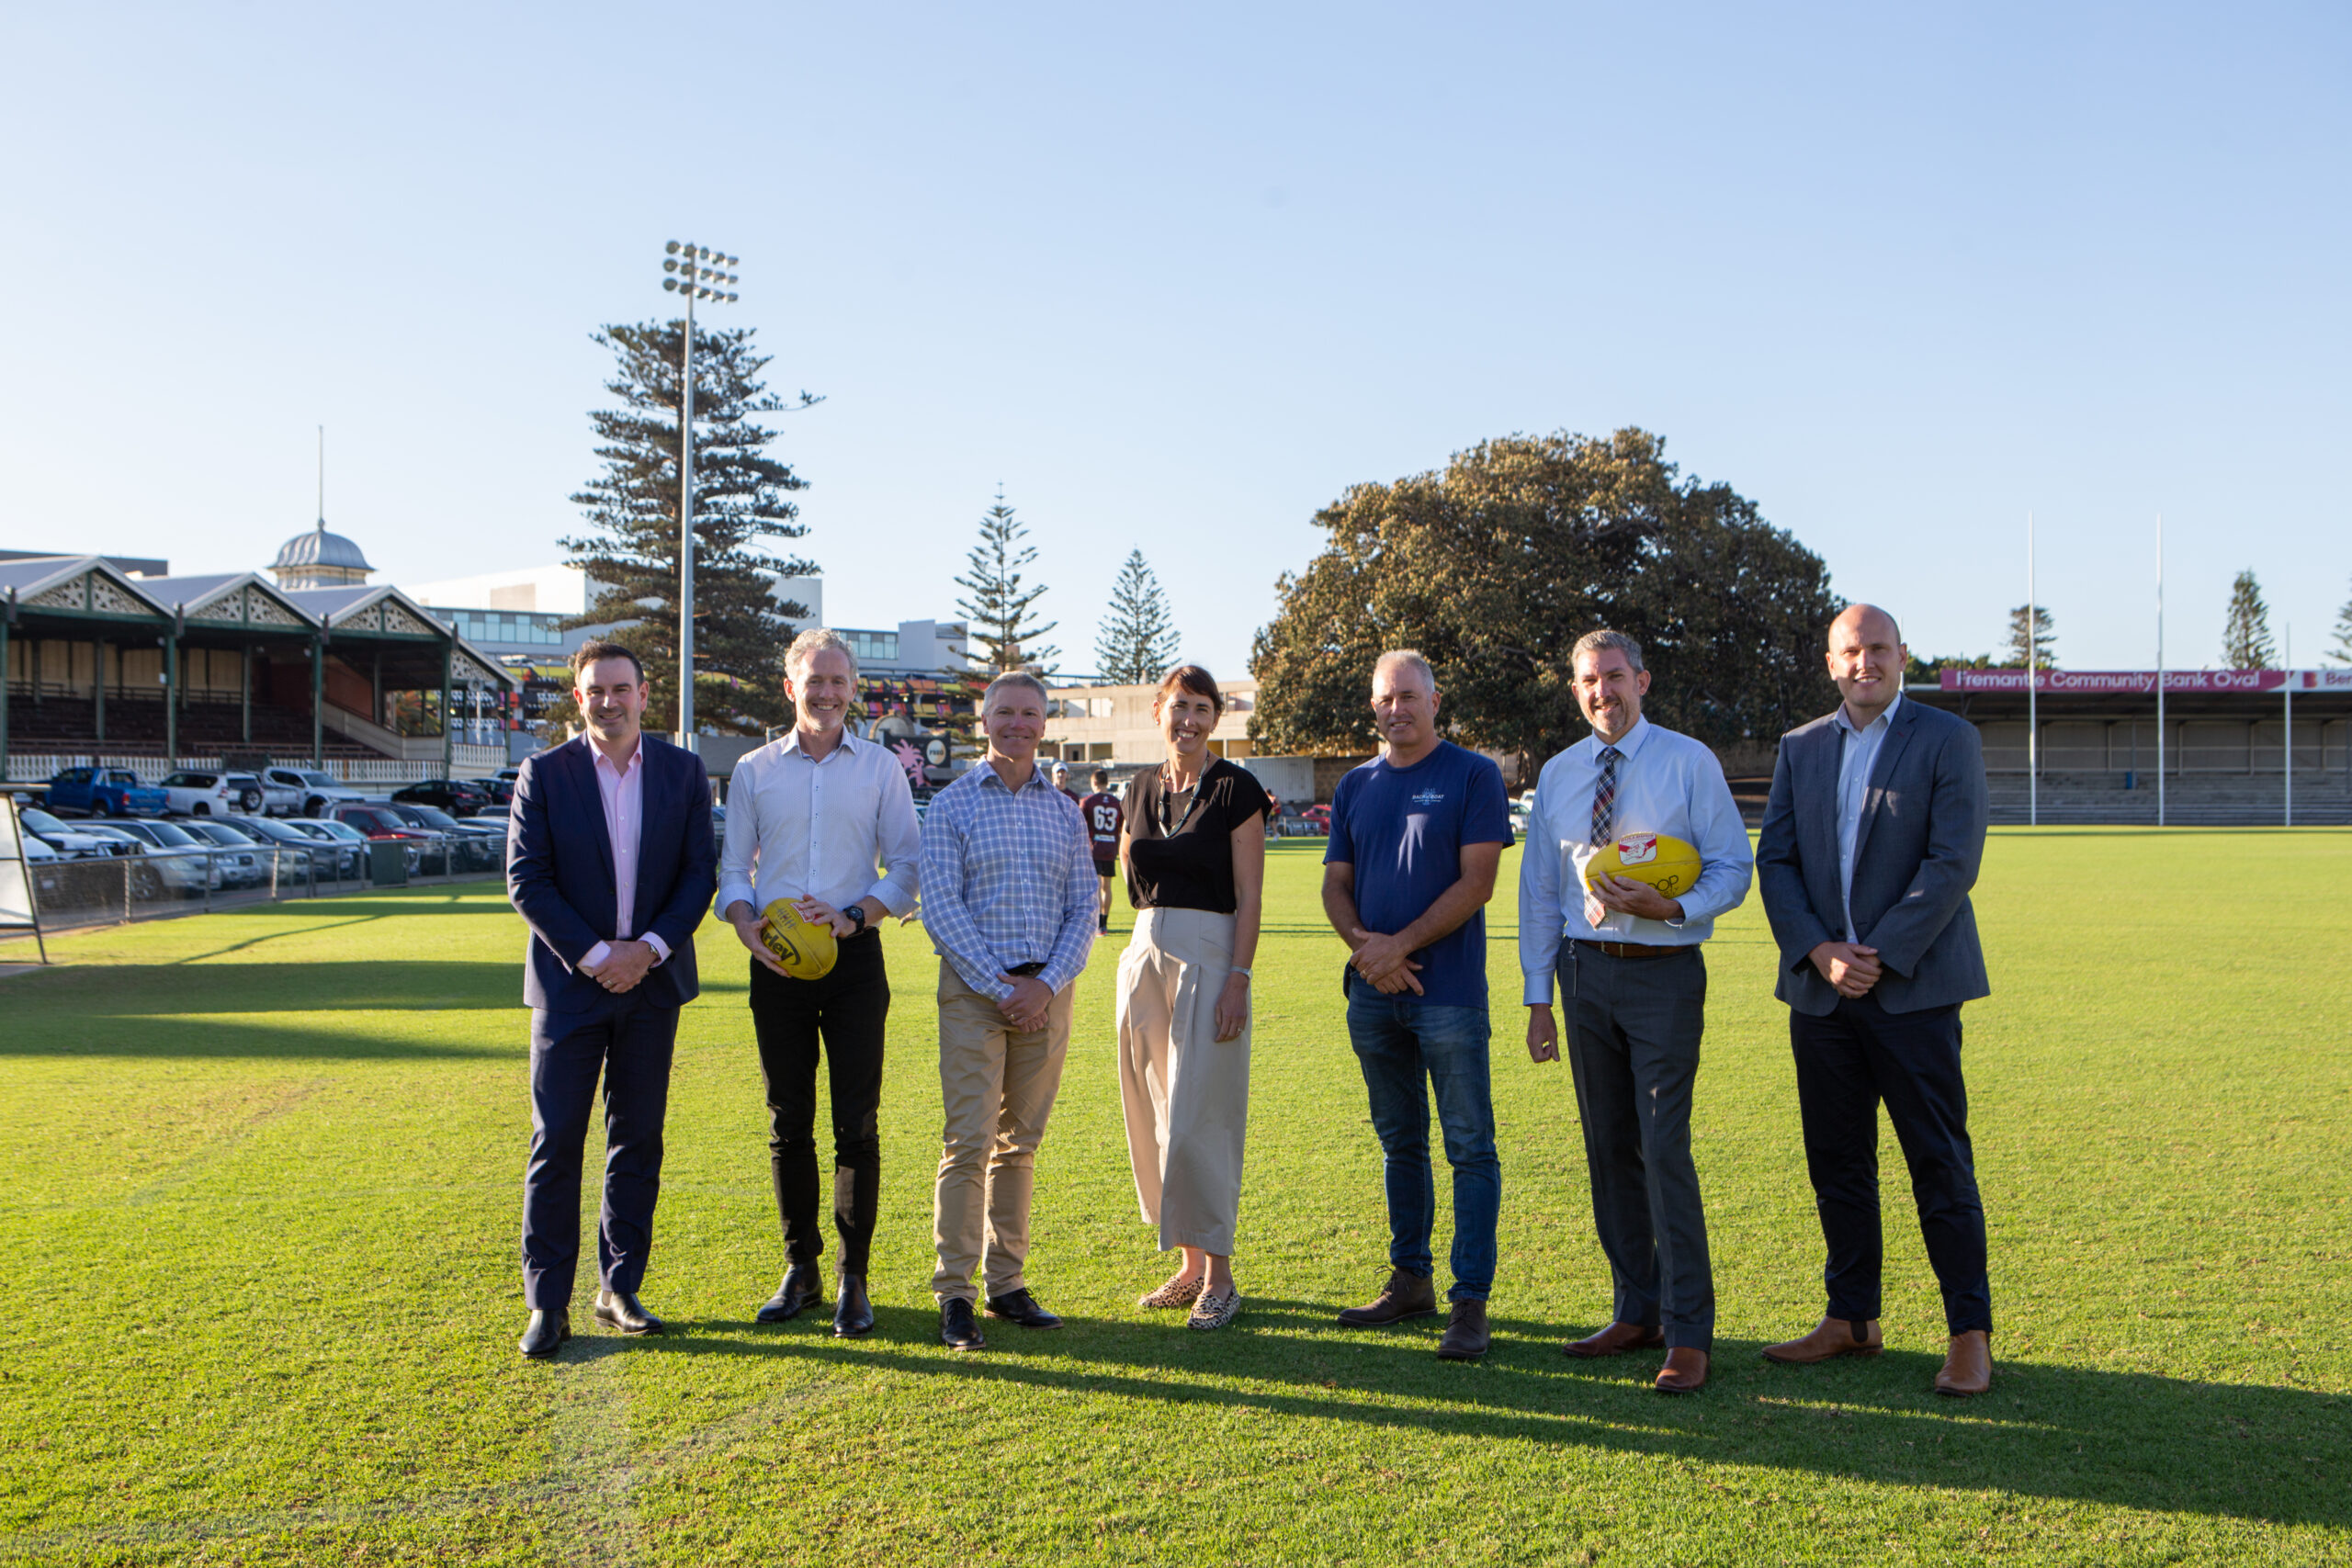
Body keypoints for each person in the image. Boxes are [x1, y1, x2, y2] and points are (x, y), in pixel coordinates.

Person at [1755, 604, 1996, 1397]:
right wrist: (1821, 951)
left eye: (1879, 649)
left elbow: (1952, 861)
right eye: (1851, 651)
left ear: (1902, 656)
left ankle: (1969, 1333)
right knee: (1837, 1163)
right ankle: (1852, 1317)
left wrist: (1879, 955)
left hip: (1914, 994)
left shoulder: (1946, 738)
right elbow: (1778, 861)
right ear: (1831, 662)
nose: (1866, 662)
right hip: (1821, 996)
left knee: (1938, 1163)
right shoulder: (1801, 747)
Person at [1519, 630, 1754, 1394]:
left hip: (1663, 974)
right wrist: (1538, 995)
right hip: (1585, 976)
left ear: (1642, 679)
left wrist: (1674, 905)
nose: (1601, 691)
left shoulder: (1689, 761)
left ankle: (1689, 1333)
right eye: (1587, 680)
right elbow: (1541, 895)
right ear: (1575, 689)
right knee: (1607, 1147)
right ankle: (1636, 1309)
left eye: (1613, 676)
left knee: (1663, 1148)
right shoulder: (1557, 774)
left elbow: (1732, 865)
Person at [505, 640, 717, 1359]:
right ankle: (546, 1302)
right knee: (556, 1141)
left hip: (652, 987)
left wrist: (646, 951)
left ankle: (619, 1287)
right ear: (578, 696)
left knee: (637, 1139)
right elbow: (526, 880)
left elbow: (697, 876)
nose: (610, 700)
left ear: (644, 694)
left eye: (622, 688)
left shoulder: (684, 773)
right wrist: (600, 957)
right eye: (596, 689)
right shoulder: (543, 773)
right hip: (570, 990)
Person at [718, 628, 921, 1337]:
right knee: (787, 1122)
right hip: (775, 963)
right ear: (790, 686)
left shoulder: (879, 769)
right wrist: (745, 925)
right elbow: (733, 870)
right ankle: (800, 1268)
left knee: (856, 1124)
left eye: (839, 681)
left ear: (853, 688)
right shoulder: (753, 769)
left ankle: (852, 1278)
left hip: (854, 962)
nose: (828, 693)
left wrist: (852, 915)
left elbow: (905, 867)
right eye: (815, 680)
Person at [1321, 649, 1513, 1361]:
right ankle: (1411, 1280)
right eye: (1383, 698)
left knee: (1469, 1146)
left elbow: (1479, 883)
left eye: (1408, 695)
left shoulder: (1473, 774)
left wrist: (1395, 946)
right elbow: (1334, 885)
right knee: (1400, 1142)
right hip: (1373, 997)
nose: (1395, 708)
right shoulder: (1356, 784)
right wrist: (1367, 950)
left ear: (1435, 699)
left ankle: (1470, 1301)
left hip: (1449, 996)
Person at [918, 671, 1100, 1351]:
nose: (1017, 724)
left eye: (1030, 713)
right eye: (1005, 712)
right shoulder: (954, 804)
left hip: (1046, 994)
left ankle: (1007, 1282)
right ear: (983, 718)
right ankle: (956, 1293)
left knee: (1019, 1144)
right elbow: (939, 904)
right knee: (968, 1140)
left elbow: (1085, 907)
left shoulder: (1062, 811)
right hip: (975, 991)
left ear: (1044, 724)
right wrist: (1002, 987)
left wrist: (1045, 984)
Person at [1115, 666, 1271, 1330]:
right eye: (1179, 706)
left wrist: (1239, 975)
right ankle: (1186, 1264)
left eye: (1201, 708)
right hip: (1144, 952)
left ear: (1217, 717)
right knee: (1153, 1112)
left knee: (1200, 1113)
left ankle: (1222, 1277)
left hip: (1210, 958)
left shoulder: (1238, 788)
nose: (1189, 719)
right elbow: (1129, 871)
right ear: (1158, 711)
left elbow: (1251, 894)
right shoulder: (1140, 787)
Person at [1076, 767, 1125, 934]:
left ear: (1094, 782)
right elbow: (1121, 826)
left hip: (1094, 848)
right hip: (1110, 849)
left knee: (1095, 887)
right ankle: (1104, 922)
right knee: (1107, 886)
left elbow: (1080, 826)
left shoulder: (1088, 801)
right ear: (1107, 783)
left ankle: (1097, 923)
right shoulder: (1116, 802)